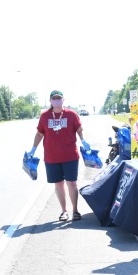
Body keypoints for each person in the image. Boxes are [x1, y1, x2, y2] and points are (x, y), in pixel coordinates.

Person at [28, 89, 91, 221]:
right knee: (58, 184)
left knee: (72, 183)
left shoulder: (71, 115)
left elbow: (79, 129)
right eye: (54, 98)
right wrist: (33, 149)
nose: (56, 100)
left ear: (63, 100)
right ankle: (64, 211)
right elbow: (40, 133)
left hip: (70, 156)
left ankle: (75, 211)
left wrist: (83, 140)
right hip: (52, 157)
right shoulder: (45, 116)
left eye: (59, 98)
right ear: (50, 100)